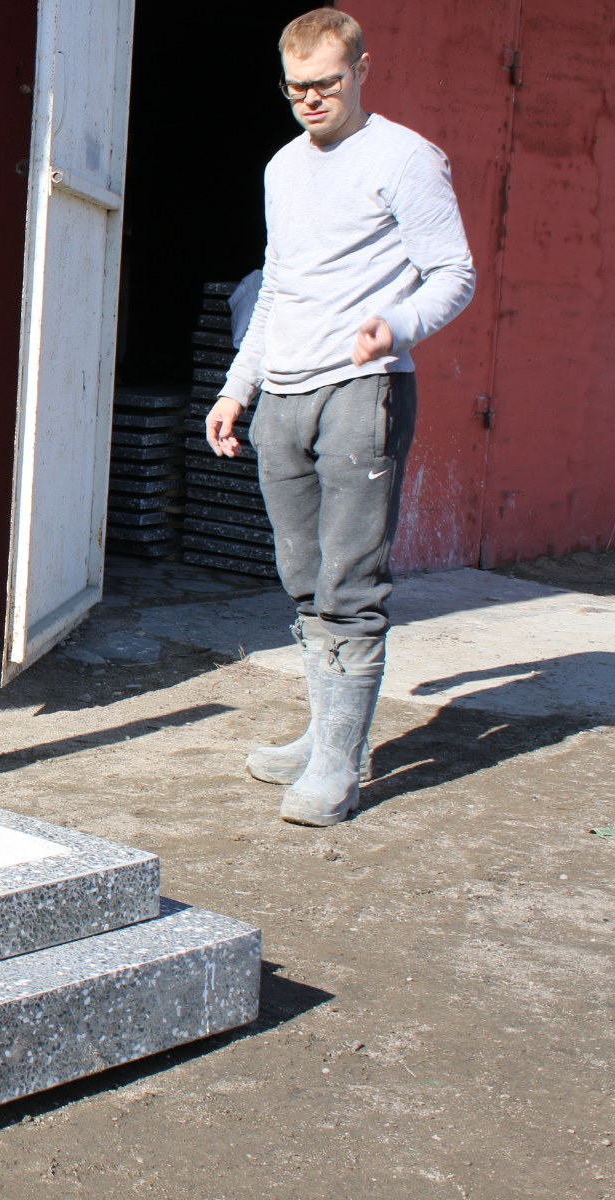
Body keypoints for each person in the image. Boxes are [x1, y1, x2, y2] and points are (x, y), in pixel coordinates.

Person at [204, 8, 475, 827]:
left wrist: (399, 325)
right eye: (296, 89)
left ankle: (337, 768)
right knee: (302, 577)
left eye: (325, 82)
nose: (311, 100)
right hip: (282, 397)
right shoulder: (283, 167)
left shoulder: (404, 158)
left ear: (361, 69)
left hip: (362, 389)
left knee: (350, 584)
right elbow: (276, 285)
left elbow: (453, 273)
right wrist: (237, 387)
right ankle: (323, 736)